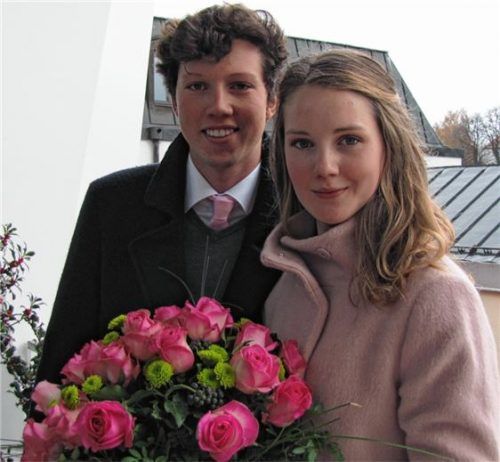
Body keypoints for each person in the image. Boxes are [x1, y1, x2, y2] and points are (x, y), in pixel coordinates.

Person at [261, 49, 499, 460]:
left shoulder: (435, 294)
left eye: (349, 140)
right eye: (302, 143)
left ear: (389, 146)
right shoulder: (283, 281)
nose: (325, 166)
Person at [36, 4, 287, 386]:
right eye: (197, 86)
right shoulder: (111, 206)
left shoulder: (303, 217)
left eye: (239, 85)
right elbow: (61, 364)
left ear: (272, 100)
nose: (219, 106)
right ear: (173, 101)